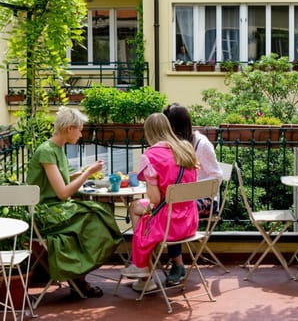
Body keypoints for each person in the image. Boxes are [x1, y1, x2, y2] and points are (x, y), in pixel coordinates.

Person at [26, 106, 123, 298]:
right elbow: (62, 192)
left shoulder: (58, 148)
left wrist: (82, 172)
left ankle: (78, 277)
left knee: (99, 212)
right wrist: (87, 173)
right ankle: (78, 277)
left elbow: (60, 180)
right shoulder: (47, 151)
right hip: (46, 214)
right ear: (69, 128)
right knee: (96, 215)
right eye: (79, 129)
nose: (81, 134)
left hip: (57, 209)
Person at [122, 112, 199, 290]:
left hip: (168, 224)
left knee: (137, 209)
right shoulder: (186, 149)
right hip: (189, 221)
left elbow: (155, 199)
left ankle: (144, 269)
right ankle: (144, 269)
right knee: (139, 207)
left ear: (148, 132)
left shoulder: (150, 156)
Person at [163, 103, 222, 215]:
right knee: (162, 206)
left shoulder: (202, 145)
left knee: (172, 209)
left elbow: (217, 177)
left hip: (207, 199)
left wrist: (190, 189)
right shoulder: (175, 144)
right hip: (182, 197)